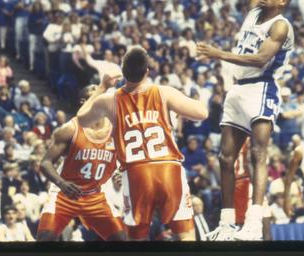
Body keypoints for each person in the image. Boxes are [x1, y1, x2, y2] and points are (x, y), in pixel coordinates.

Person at [197, 0, 295, 241]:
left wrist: (218, 53)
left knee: (258, 154)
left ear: (281, 1)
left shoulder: (280, 24)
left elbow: (258, 59)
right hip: (238, 90)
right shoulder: (255, 8)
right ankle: (226, 224)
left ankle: (254, 220)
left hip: (261, 89)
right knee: (225, 157)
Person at [76, 46, 208, 241]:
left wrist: (102, 86)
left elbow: (81, 119)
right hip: (167, 168)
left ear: (122, 70)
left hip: (135, 172)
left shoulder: (109, 100)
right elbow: (202, 113)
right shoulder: (163, 92)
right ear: (148, 70)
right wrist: (180, 104)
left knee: (136, 238)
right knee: (185, 233)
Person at [37, 85, 127, 241]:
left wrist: (120, 171)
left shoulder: (116, 129)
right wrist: (62, 183)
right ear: (84, 102)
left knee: (123, 240)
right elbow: (45, 163)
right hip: (65, 194)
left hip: (95, 196)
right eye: (97, 95)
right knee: (45, 239)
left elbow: (125, 158)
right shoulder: (70, 129)